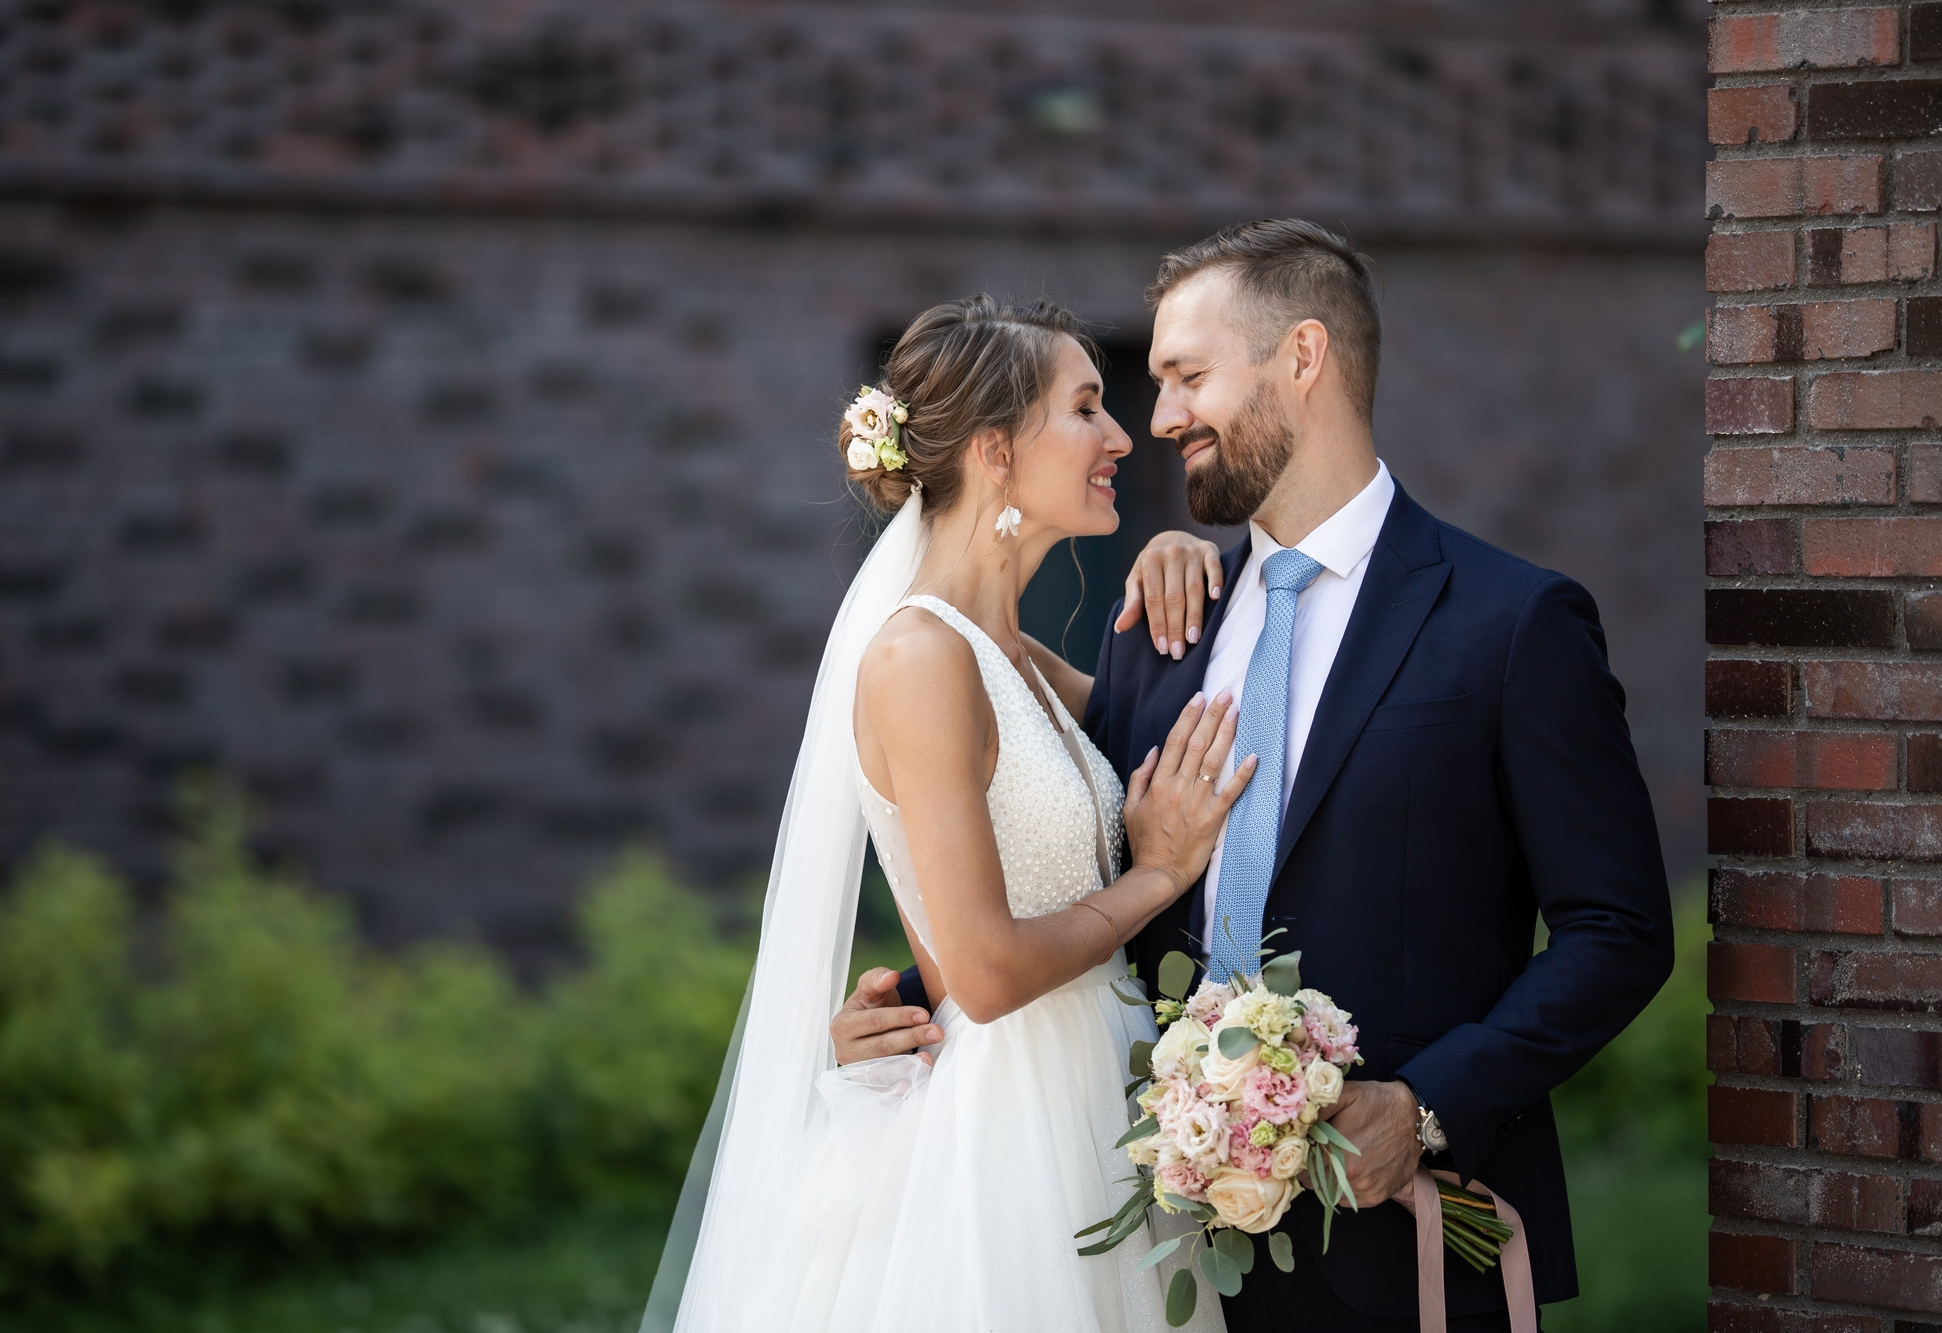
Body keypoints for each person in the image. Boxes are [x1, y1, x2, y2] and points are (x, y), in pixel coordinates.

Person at [831, 219, 1676, 1330]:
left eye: (1183, 376)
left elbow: (1617, 932)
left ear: (1302, 357)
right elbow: (1042, 843)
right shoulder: (1164, 622)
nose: (1158, 417)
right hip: (1138, 1232)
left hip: (1402, 1235)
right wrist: (909, 1011)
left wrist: (1422, 1107)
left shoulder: (1512, 624)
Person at [649, 295, 1250, 1332]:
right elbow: (981, 967)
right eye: (1085, 407)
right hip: (1010, 1128)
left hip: (1093, 1088)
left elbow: (1144, 709)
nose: (1120, 436)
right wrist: (1156, 873)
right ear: (994, 452)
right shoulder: (917, 657)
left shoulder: (1011, 657)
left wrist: (1180, 557)